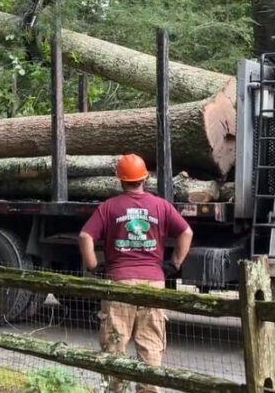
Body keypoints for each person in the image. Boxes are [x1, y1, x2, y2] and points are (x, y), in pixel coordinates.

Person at [78, 153, 194, 393]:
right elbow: (186, 232)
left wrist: (93, 266)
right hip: (153, 283)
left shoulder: (109, 207)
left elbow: (85, 236)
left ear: (120, 180)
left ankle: (115, 389)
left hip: (119, 281)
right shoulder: (161, 206)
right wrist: (174, 263)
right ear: (145, 178)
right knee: (150, 344)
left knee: (115, 343)